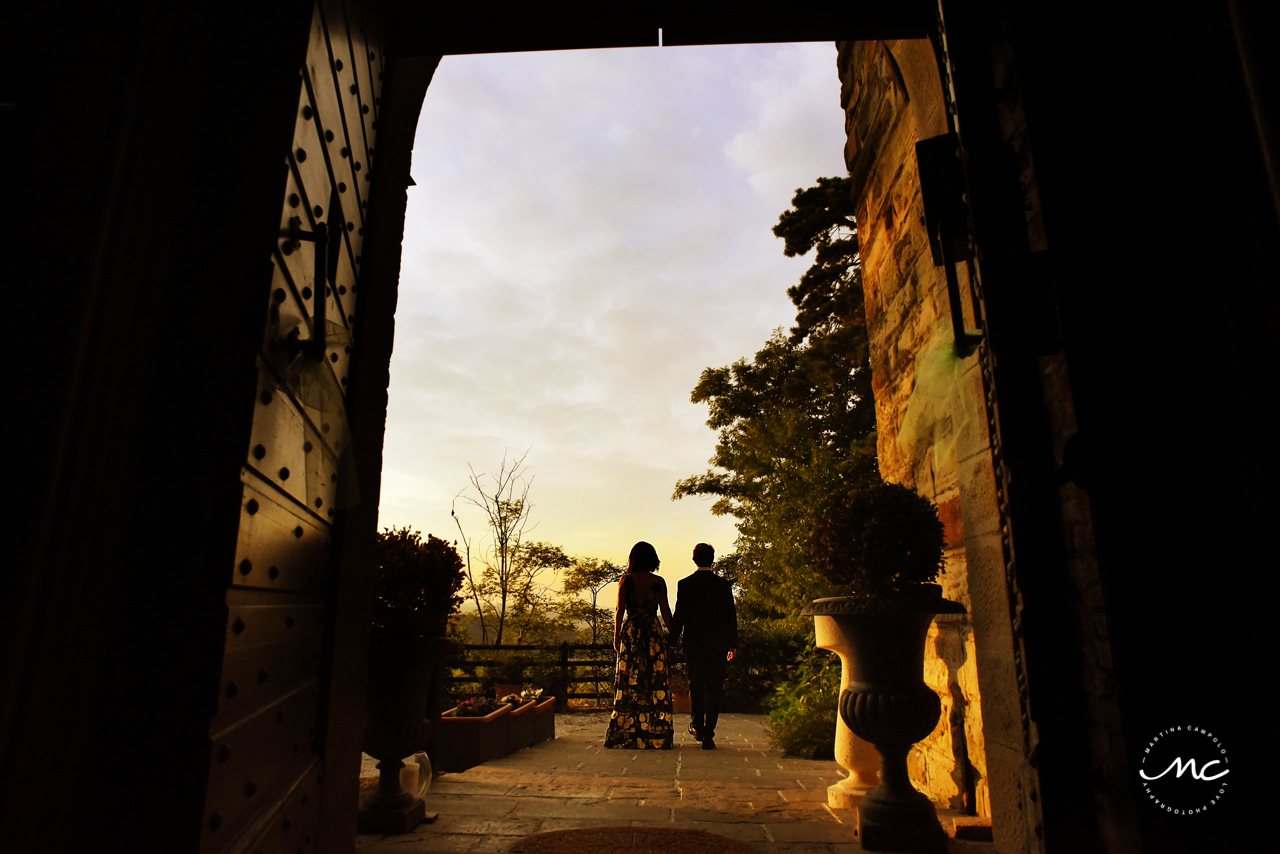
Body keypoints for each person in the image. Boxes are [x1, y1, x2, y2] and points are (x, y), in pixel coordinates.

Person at [604, 541, 675, 749]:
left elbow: (619, 610)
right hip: (652, 634)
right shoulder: (659, 582)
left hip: (632, 632)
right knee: (653, 680)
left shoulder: (626, 581)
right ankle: (655, 731)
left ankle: (628, 731)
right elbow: (666, 612)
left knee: (630, 681)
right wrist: (675, 634)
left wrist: (616, 637)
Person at [669, 543, 737, 750]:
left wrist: (672, 638)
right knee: (715, 687)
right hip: (717, 643)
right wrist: (732, 644)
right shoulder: (723, 586)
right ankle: (709, 731)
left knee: (696, 683)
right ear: (713, 559)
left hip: (694, 642)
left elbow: (679, 614)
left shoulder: (686, 584)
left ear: (694, 559)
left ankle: (697, 724)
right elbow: (730, 617)